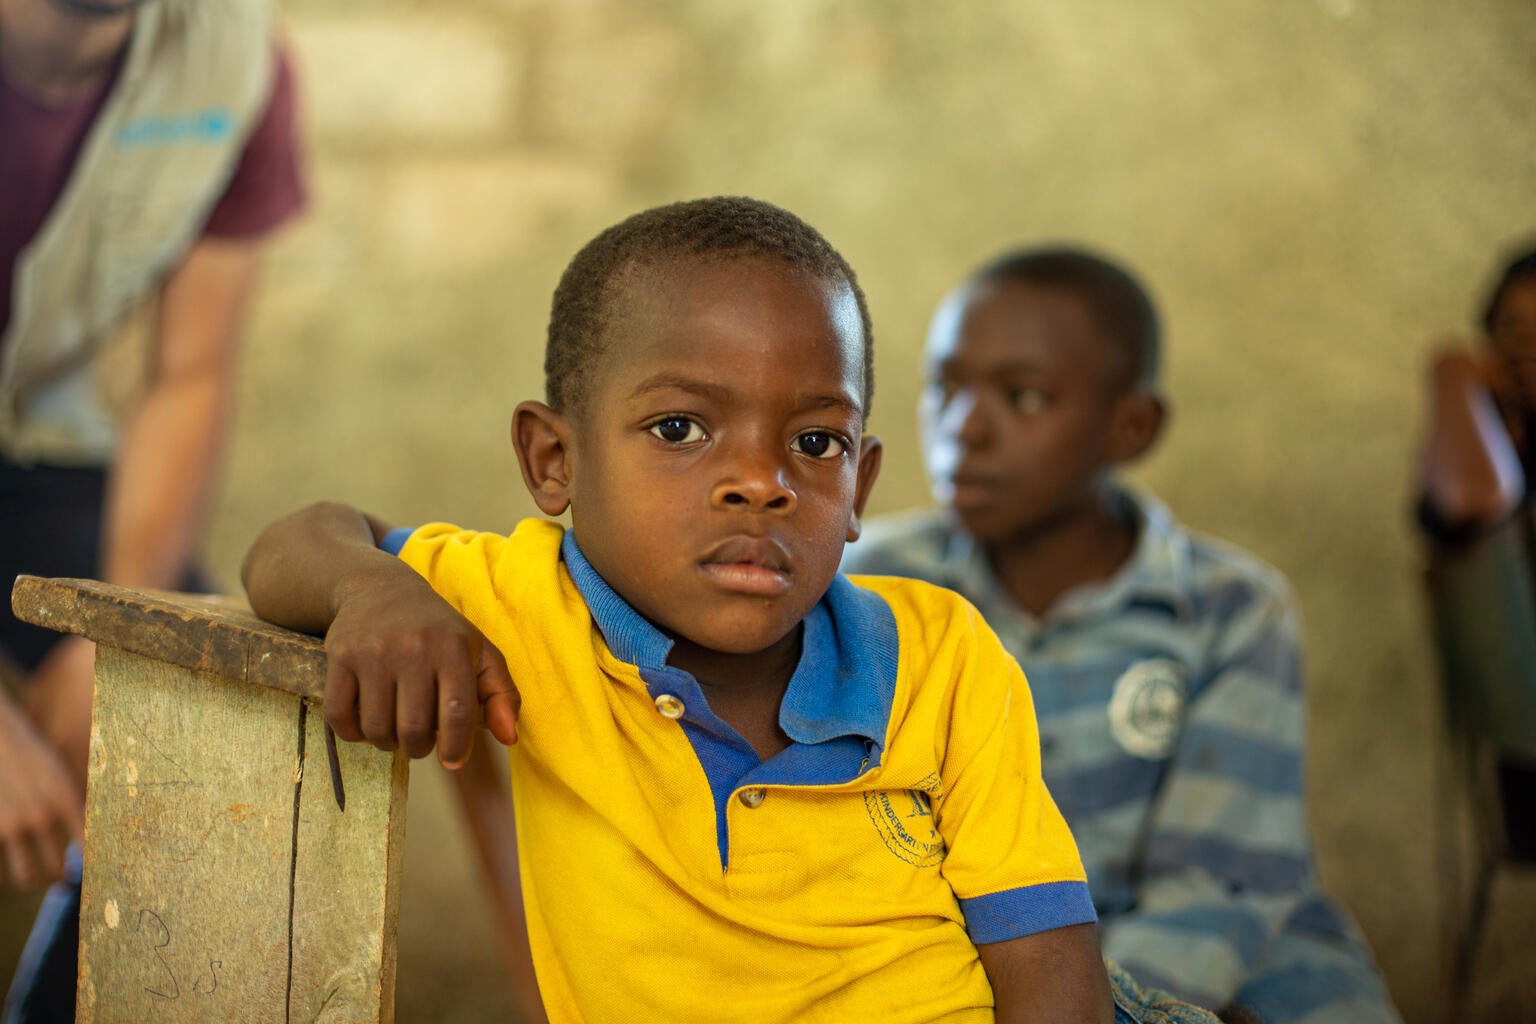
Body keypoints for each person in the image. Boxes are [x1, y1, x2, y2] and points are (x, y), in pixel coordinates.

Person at [241, 197, 1219, 1023]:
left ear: (862, 487)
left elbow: (1046, 959)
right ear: (555, 460)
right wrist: (372, 588)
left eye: (816, 443)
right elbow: (296, 543)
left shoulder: (943, 656)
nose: (760, 480)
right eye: (681, 427)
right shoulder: (526, 602)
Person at [841, 247, 1402, 1024]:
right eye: (945, 388)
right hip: (976, 964)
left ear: (1130, 427)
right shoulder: (872, 587)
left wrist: (1089, 1007)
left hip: (1226, 956)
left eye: (1024, 398)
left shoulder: (1230, 610)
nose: (963, 429)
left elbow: (1220, 884)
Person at [0, 0, 304, 1017]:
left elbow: (188, 374)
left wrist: (116, 626)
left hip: (35, 437)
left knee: (199, 708)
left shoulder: (232, 62)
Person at [1415, 246, 1536, 858]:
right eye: (1513, 330)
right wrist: (1453, 373)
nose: (1528, 348)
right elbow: (1475, 494)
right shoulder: (1473, 452)